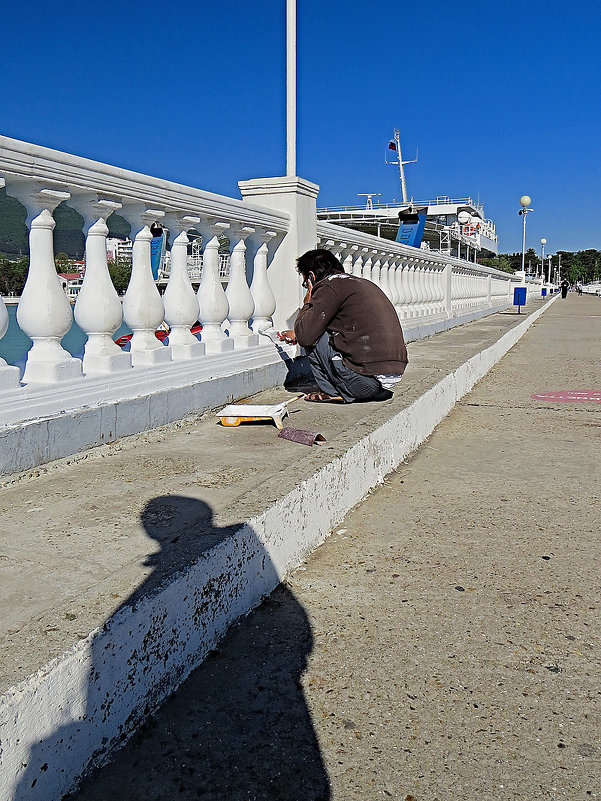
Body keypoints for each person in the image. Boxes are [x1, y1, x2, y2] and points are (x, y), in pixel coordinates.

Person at [278, 249, 408, 403]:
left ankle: (332, 391)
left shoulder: (328, 286)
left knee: (310, 337)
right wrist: (298, 333)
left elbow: (306, 336)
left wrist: (307, 303)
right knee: (314, 330)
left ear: (312, 276)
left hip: (364, 383)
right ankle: (350, 388)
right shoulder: (359, 283)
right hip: (387, 377)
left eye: (305, 283)